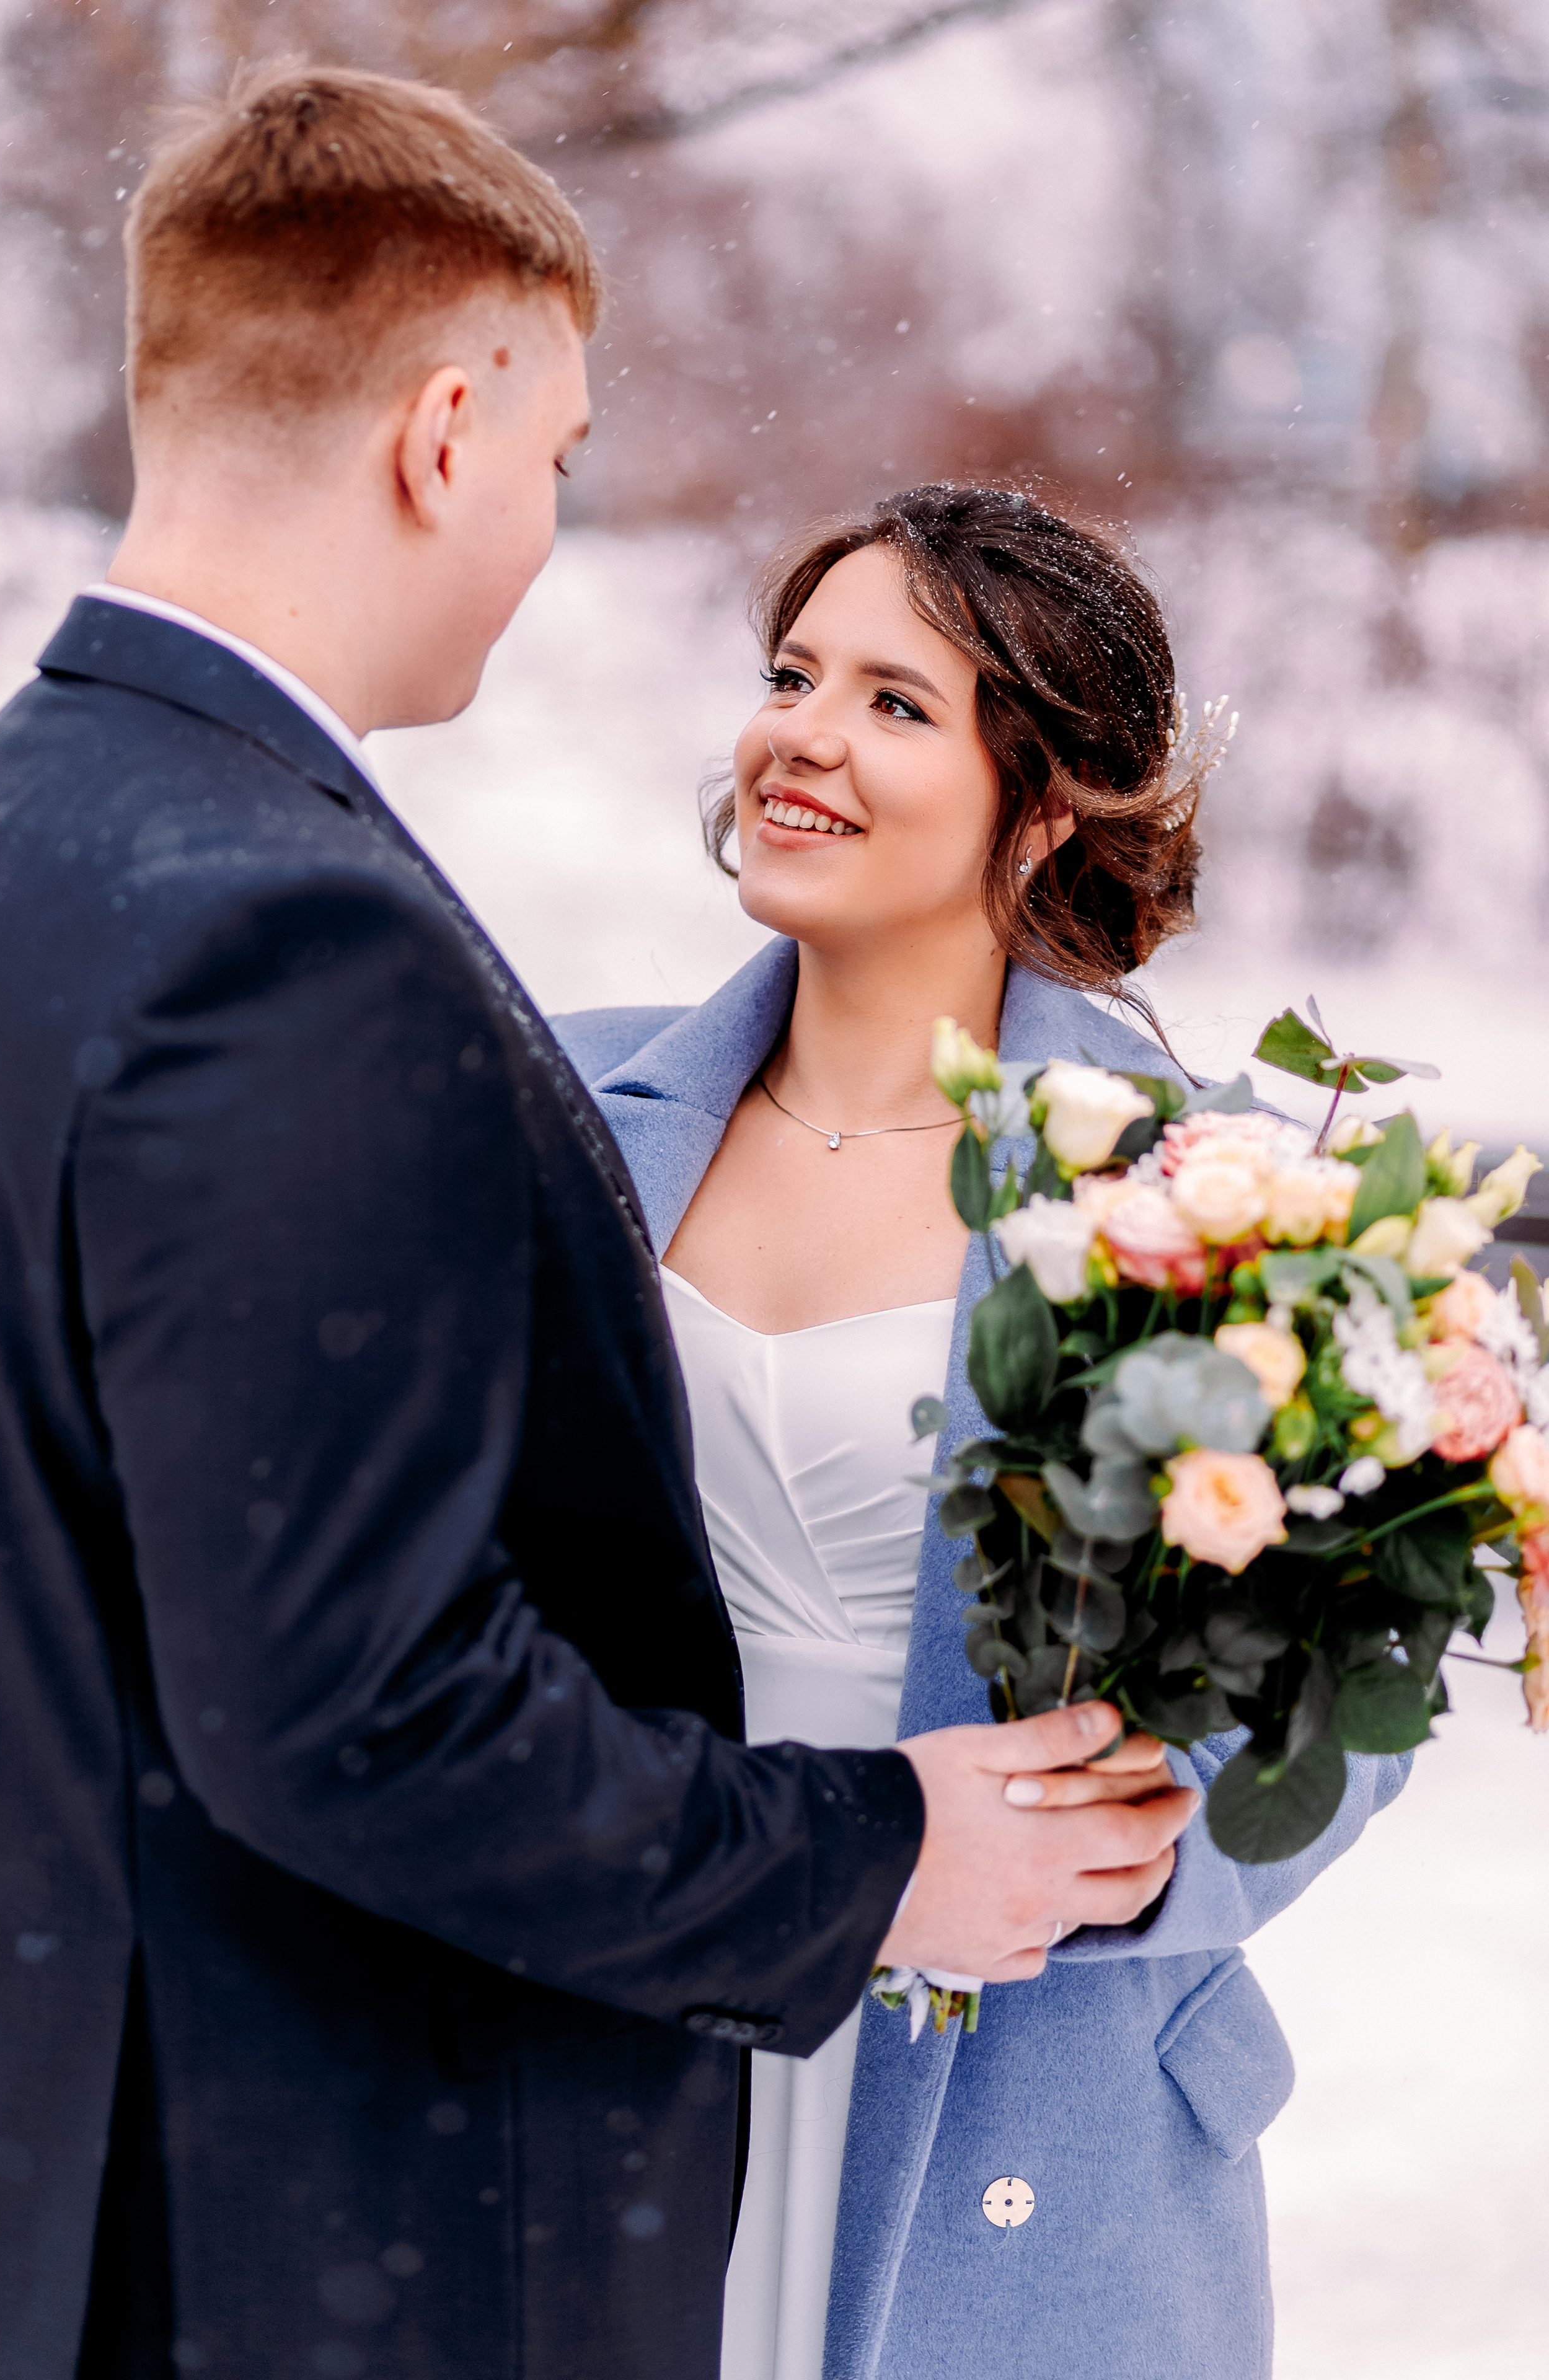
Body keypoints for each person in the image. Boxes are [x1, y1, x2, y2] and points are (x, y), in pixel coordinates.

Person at [0, 74, 1198, 2380]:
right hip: (322, 2171)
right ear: (446, 435)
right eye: (558, 458)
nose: (548, 527)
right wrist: (864, 1860)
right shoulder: (301, 941)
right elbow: (353, 1706)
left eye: (894, 698)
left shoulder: (14, 838)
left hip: (163, 2150)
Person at [555, 484, 1413, 2380]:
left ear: (1043, 810)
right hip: (622, 2005)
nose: (802, 736)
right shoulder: (562, 1106)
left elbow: (1351, 1686)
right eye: (792, 677)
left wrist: (1106, 1864)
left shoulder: (1206, 1190)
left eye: (894, 703)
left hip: (1026, 2095)